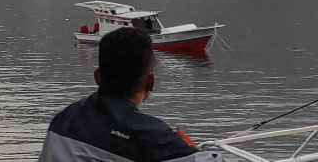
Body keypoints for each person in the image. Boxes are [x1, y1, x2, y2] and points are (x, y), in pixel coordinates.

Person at [39, 27, 220, 161]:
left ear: (97, 77)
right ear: (150, 82)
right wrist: (185, 149)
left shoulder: (64, 119)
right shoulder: (148, 136)